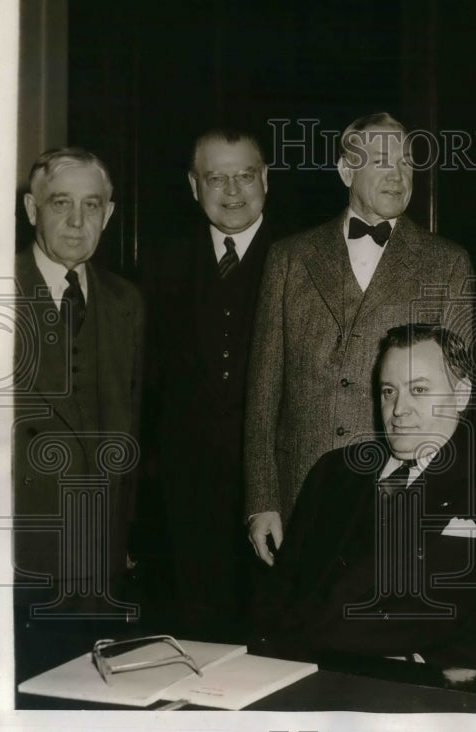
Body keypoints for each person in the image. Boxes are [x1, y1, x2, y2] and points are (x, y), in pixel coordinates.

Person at [250, 325, 476, 672]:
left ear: (462, 393)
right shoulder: (335, 472)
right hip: (298, 671)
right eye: (388, 391)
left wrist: (418, 669)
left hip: (410, 688)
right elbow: (276, 594)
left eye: (418, 390)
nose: (398, 410)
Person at [245, 113, 473, 567]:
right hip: (298, 492)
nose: (397, 174)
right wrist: (260, 499)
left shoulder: (447, 263)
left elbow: (459, 399)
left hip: (398, 496)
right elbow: (263, 388)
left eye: (406, 162)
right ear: (347, 171)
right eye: (382, 161)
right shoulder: (290, 257)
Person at [12, 147, 145, 679]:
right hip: (20, 568)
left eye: (91, 205)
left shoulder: (126, 302)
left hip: (101, 574)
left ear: (109, 215)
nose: (75, 220)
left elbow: (130, 429)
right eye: (60, 202)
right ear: (30, 209)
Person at [140, 129, 272, 637]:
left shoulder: (303, 255)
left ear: (266, 180)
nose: (233, 191)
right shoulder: (161, 260)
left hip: (270, 491)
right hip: (183, 498)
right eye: (217, 177)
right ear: (194, 185)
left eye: (245, 175)